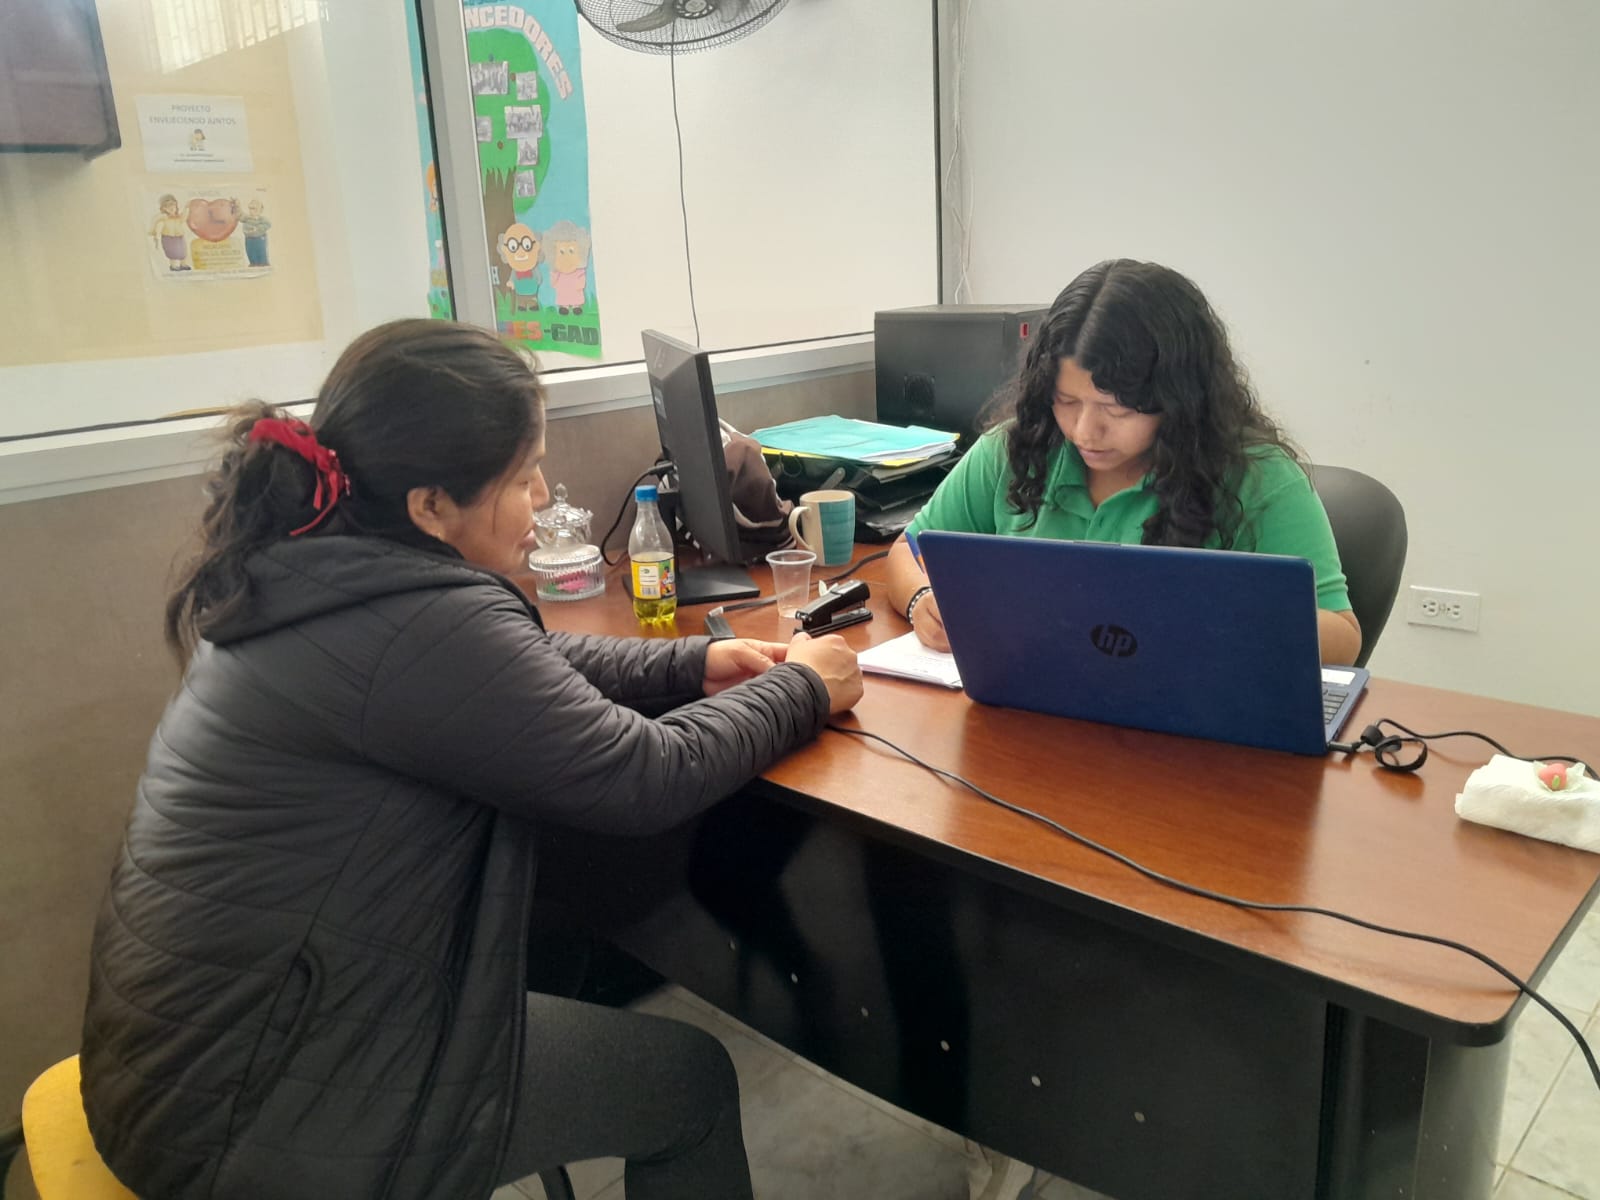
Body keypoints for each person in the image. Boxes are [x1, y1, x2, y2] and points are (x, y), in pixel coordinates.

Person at [79, 319, 863, 1200]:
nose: (542, 495)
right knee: (690, 1084)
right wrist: (804, 687)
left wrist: (691, 662)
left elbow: (515, 664)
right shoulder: (416, 620)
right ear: (429, 506)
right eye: (522, 477)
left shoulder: (317, 569)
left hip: (191, 1065)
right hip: (255, 1115)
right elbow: (644, 776)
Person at [889, 259, 1361, 666]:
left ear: (1178, 399)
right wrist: (922, 600)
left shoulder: (1256, 476)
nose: (1084, 431)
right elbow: (907, 551)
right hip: (1033, 707)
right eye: (1066, 401)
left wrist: (1210, 619)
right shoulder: (1017, 448)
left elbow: (1342, 637)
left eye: (1116, 410)